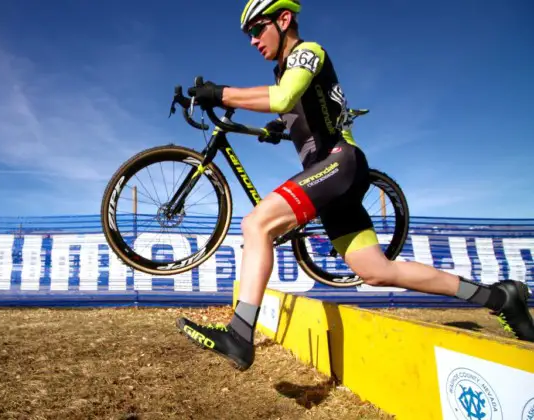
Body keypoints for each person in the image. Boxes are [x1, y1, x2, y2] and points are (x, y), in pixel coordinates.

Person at [175, 0, 534, 371]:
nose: (251, 40)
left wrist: (220, 93)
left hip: (339, 163)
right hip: (333, 176)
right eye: (247, 33)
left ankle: (239, 333)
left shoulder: (307, 52)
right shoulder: (286, 70)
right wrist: (277, 128)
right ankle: (498, 297)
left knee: (256, 224)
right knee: (377, 271)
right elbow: (296, 108)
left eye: (256, 29)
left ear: (284, 20)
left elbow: (282, 98)